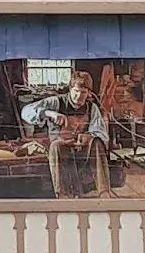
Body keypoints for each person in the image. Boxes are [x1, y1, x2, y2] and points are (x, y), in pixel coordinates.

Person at [21, 70, 114, 198]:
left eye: (83, 93)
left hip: (81, 150)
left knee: (97, 142)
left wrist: (89, 136)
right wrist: (48, 113)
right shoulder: (55, 102)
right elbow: (25, 112)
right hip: (61, 148)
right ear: (70, 89)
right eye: (76, 91)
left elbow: (101, 132)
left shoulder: (92, 108)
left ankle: (104, 192)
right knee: (55, 146)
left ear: (88, 93)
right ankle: (62, 194)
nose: (79, 96)